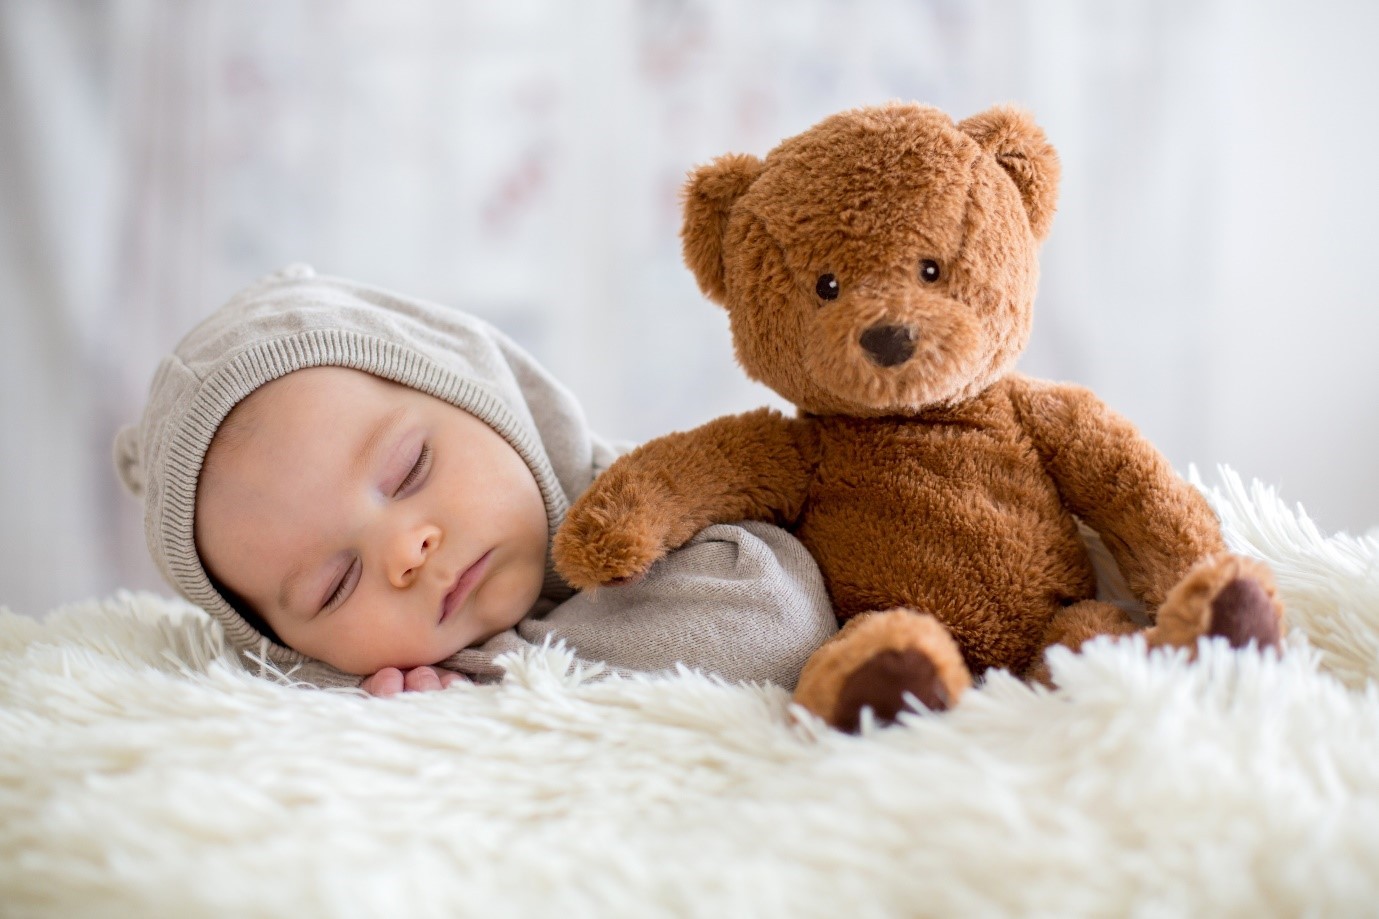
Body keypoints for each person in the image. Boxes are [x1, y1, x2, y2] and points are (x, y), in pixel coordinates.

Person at [114, 265, 836, 695]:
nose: (407, 549)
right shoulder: (393, 705)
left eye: (407, 471)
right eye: (333, 586)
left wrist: (505, 671)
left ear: (477, 393)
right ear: (291, 652)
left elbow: (776, 628)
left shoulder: (643, 503)